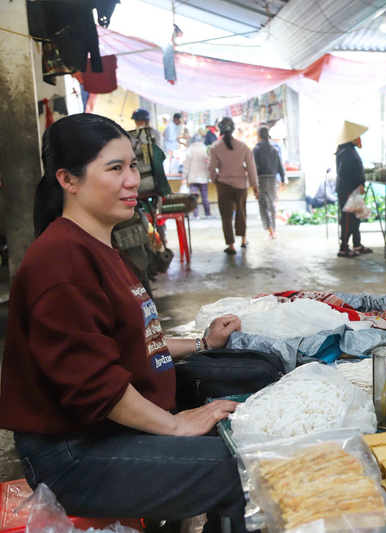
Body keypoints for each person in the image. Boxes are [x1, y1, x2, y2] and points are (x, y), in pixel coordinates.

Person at [0, 113, 247, 531]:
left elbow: (135, 341)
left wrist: (203, 344)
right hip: (74, 453)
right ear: (68, 180)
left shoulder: (99, 246)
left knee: (246, 382)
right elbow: (95, 384)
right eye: (115, 168)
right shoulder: (60, 261)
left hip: (104, 432)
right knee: (239, 471)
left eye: (132, 165)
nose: (132, 180)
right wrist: (174, 425)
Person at [208, 117, 258, 255]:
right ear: (233, 129)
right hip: (241, 185)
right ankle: (243, 240)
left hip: (223, 185)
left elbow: (211, 167)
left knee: (226, 216)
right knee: (241, 213)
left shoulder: (215, 147)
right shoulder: (243, 147)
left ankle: (231, 246)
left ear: (220, 130)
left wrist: (214, 180)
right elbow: (251, 168)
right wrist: (255, 186)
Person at [335, 121, 372, 258]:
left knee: (355, 218)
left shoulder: (347, 150)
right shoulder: (346, 152)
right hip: (348, 190)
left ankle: (357, 244)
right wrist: (358, 183)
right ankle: (343, 248)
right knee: (348, 219)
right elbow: (345, 172)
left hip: (351, 190)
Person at [252, 126, 285, 239]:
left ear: (259, 136)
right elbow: (280, 166)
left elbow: (253, 168)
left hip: (261, 179)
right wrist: (283, 179)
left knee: (263, 205)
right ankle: (273, 230)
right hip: (273, 179)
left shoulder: (256, 149)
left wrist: (253, 183)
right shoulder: (274, 149)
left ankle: (271, 231)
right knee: (271, 205)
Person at [183, 132, 212, 218]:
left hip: (193, 178)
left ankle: (196, 215)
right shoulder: (205, 149)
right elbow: (209, 163)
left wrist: (184, 177)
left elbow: (186, 166)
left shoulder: (189, 150)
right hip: (203, 178)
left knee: (194, 198)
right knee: (205, 197)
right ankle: (208, 214)